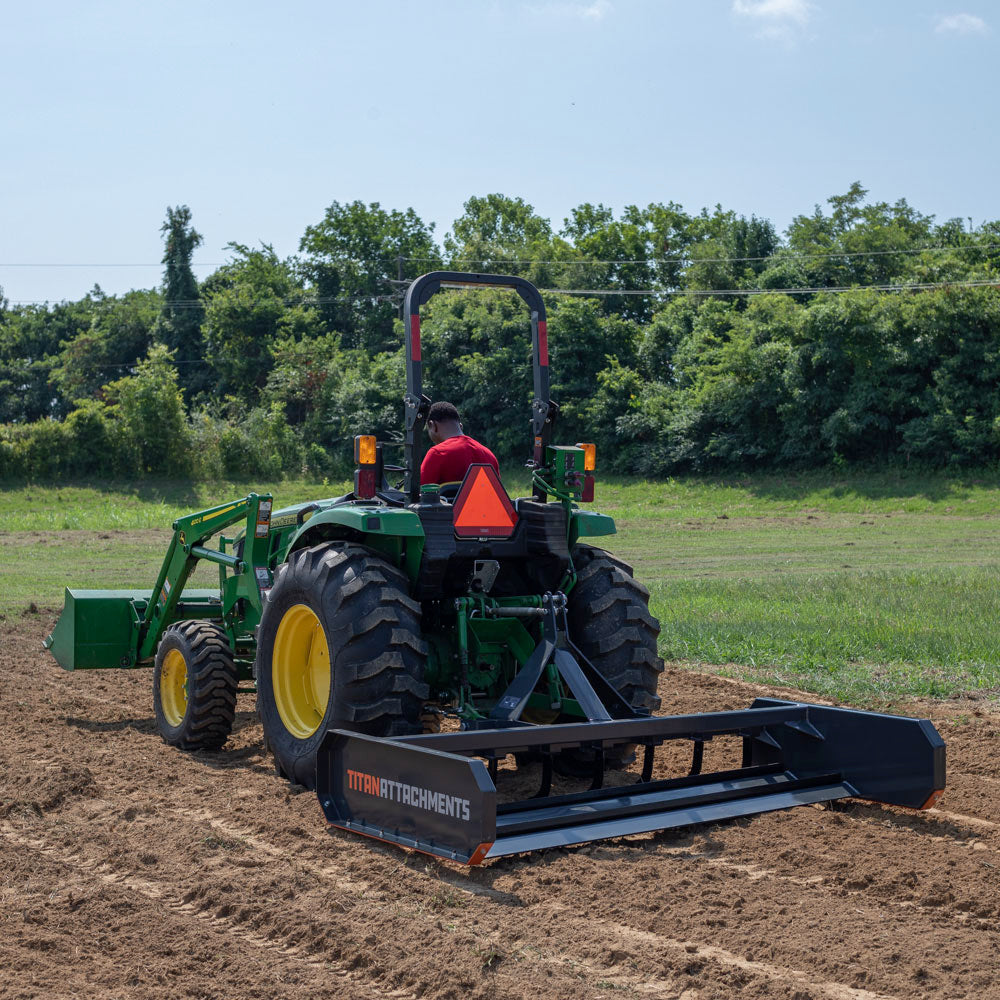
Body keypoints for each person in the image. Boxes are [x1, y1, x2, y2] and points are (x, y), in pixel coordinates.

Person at [420, 401, 499, 485]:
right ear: (460, 426)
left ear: (433, 425)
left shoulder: (437, 453)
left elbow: (418, 494)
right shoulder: (489, 456)